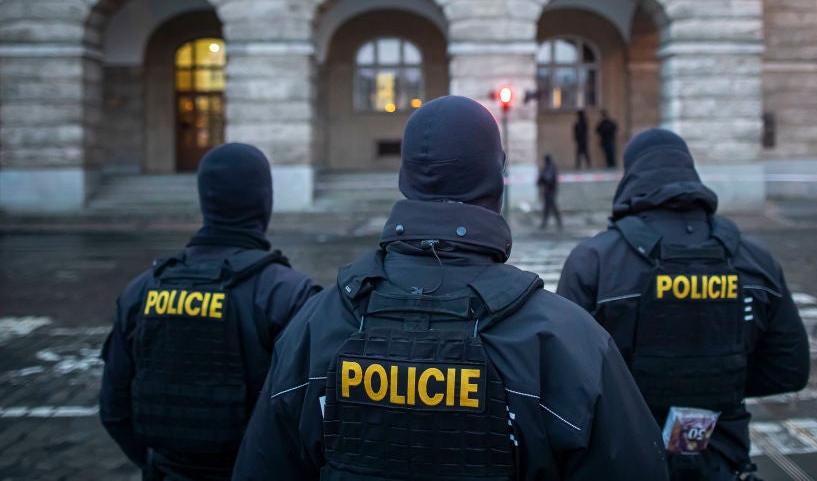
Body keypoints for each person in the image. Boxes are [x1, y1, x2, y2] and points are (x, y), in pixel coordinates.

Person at [233, 96, 668, 481]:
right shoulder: (566, 338)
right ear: (496, 179)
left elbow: (262, 465)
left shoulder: (316, 324)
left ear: (405, 179)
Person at [557, 129, 810, 481]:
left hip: (623, 458)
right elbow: (789, 368)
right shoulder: (755, 258)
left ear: (631, 176)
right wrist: (719, 381)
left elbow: (564, 380)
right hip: (722, 457)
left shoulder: (594, 261)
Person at [99, 143, 322, 481]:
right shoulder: (289, 294)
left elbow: (114, 411)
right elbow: (316, 419)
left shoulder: (141, 289)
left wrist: (162, 466)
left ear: (205, 200)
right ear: (264, 201)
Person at [536, 153, 563, 229]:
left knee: (550, 207)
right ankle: (549, 223)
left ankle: (547, 224)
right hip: (549, 191)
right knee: (549, 207)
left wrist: (541, 180)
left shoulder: (550, 168)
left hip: (550, 191)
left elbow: (547, 178)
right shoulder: (549, 168)